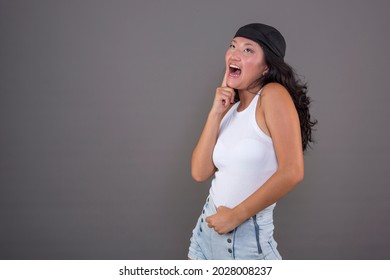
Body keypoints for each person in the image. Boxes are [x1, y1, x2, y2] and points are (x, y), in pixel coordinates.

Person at [188, 23, 317, 260]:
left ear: (266, 67)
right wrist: (215, 113)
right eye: (233, 46)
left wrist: (236, 215)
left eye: (248, 50)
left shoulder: (273, 95)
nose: (235, 54)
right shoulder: (231, 110)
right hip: (204, 238)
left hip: (243, 241)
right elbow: (199, 172)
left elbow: (293, 171)